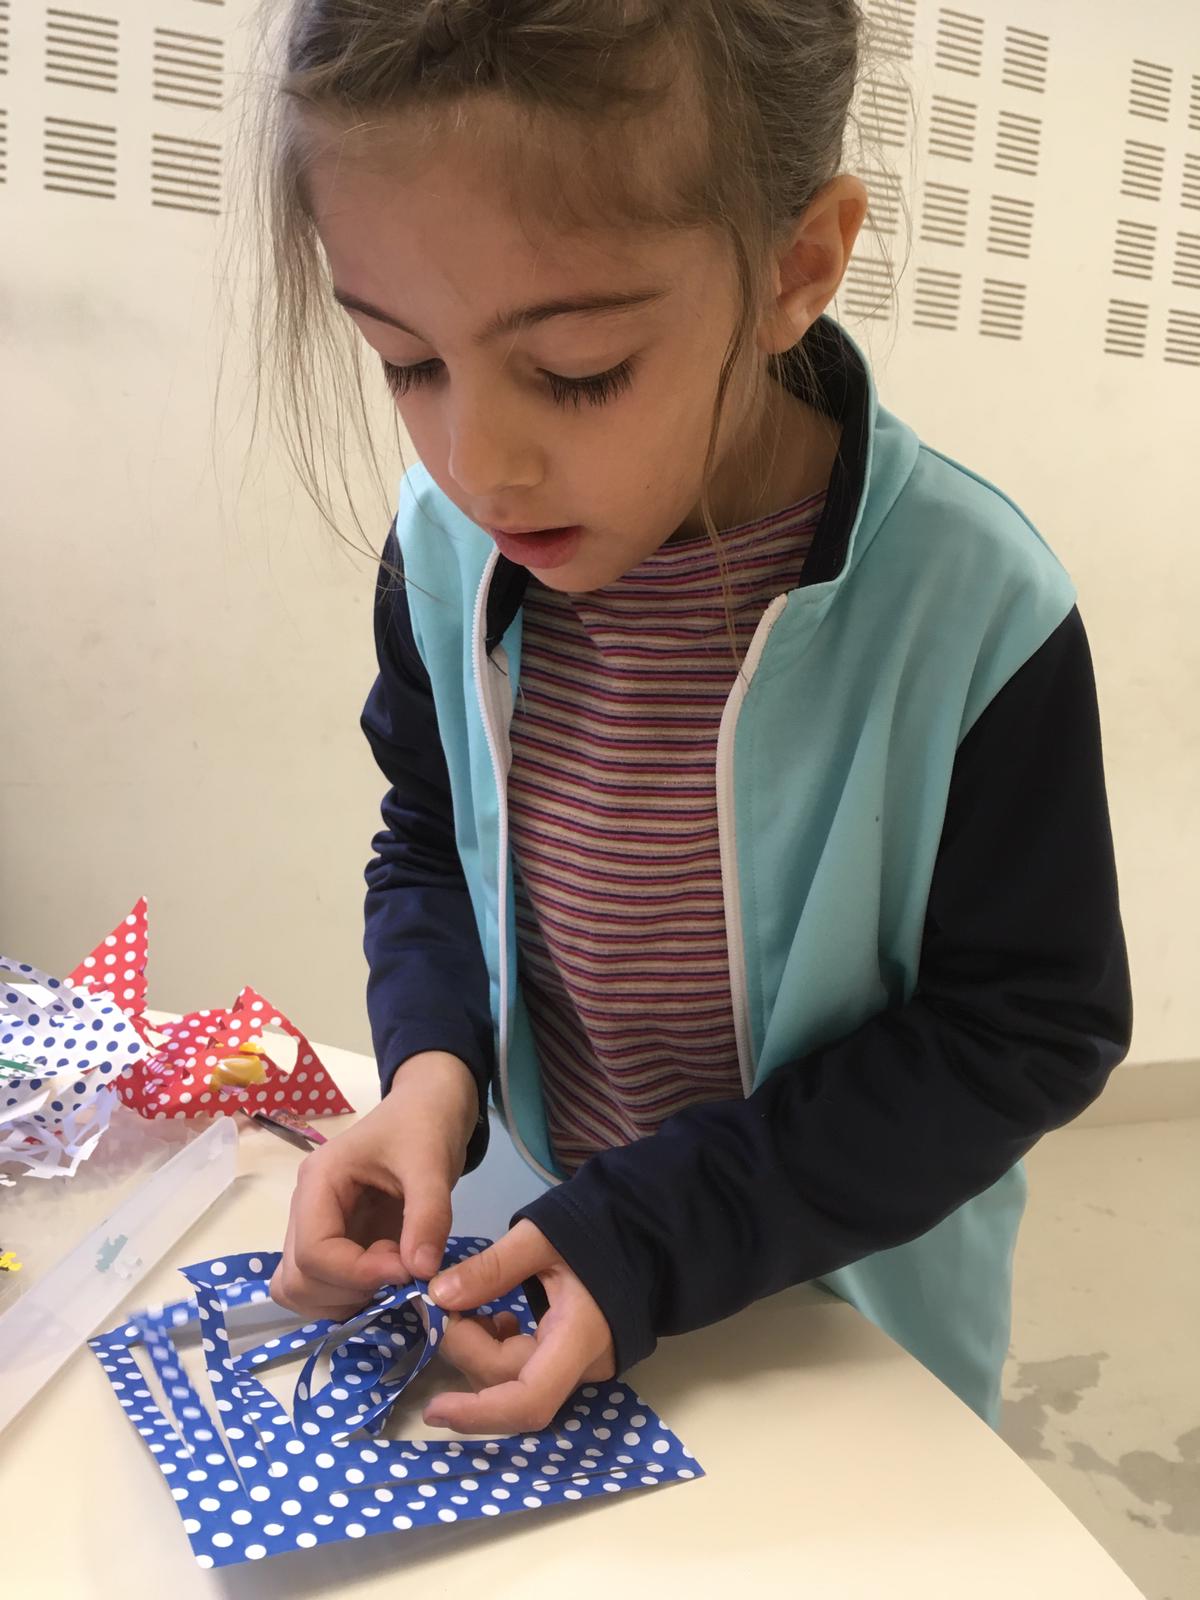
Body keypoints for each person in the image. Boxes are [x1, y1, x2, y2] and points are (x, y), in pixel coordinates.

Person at [264, 0, 1132, 1435]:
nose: (480, 463)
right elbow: (430, 842)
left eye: (578, 370)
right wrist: (428, 1073)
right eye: (406, 360)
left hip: (839, 1333)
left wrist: (658, 1232)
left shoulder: (979, 610)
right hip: (534, 1262)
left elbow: (1030, 1025)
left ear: (797, 269)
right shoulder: (441, 549)